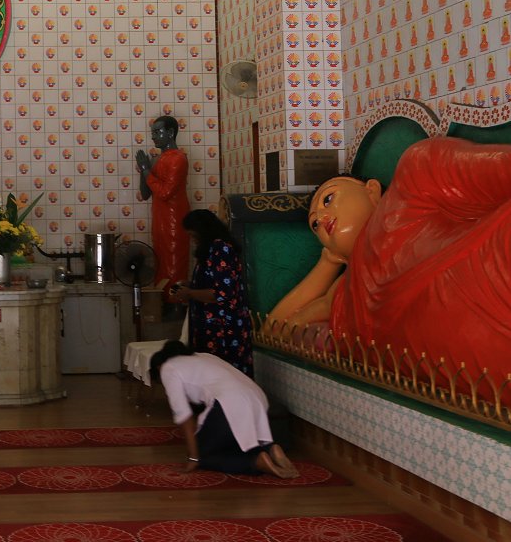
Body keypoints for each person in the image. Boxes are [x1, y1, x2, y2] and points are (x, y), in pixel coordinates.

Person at [267, 137, 511, 400]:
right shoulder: (344, 294)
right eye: (315, 225)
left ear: (372, 191)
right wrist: (328, 262)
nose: (323, 218)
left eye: (329, 200)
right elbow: (274, 333)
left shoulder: (414, 178)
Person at [149, 340, 299, 478]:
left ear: (158, 368)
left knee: (204, 457)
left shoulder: (168, 369)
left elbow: (185, 417)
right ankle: (269, 450)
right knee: (231, 441)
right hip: (257, 399)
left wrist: (193, 457)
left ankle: (256, 463)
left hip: (231, 401)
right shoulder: (204, 357)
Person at [174, 209, 253, 376]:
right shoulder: (210, 250)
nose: (193, 241)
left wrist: (190, 293)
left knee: (223, 373)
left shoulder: (221, 249)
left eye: (194, 236)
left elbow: (222, 293)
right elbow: (212, 280)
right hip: (210, 325)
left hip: (223, 327)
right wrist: (190, 285)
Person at [136, 115, 191, 304]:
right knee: (161, 262)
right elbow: (145, 194)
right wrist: (144, 170)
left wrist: (145, 170)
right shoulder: (159, 159)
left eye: (157, 132)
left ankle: (175, 304)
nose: (153, 137)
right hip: (160, 220)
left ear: (170, 133)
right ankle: (163, 304)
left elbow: (165, 192)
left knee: (174, 264)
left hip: (174, 221)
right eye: (152, 133)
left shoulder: (178, 159)